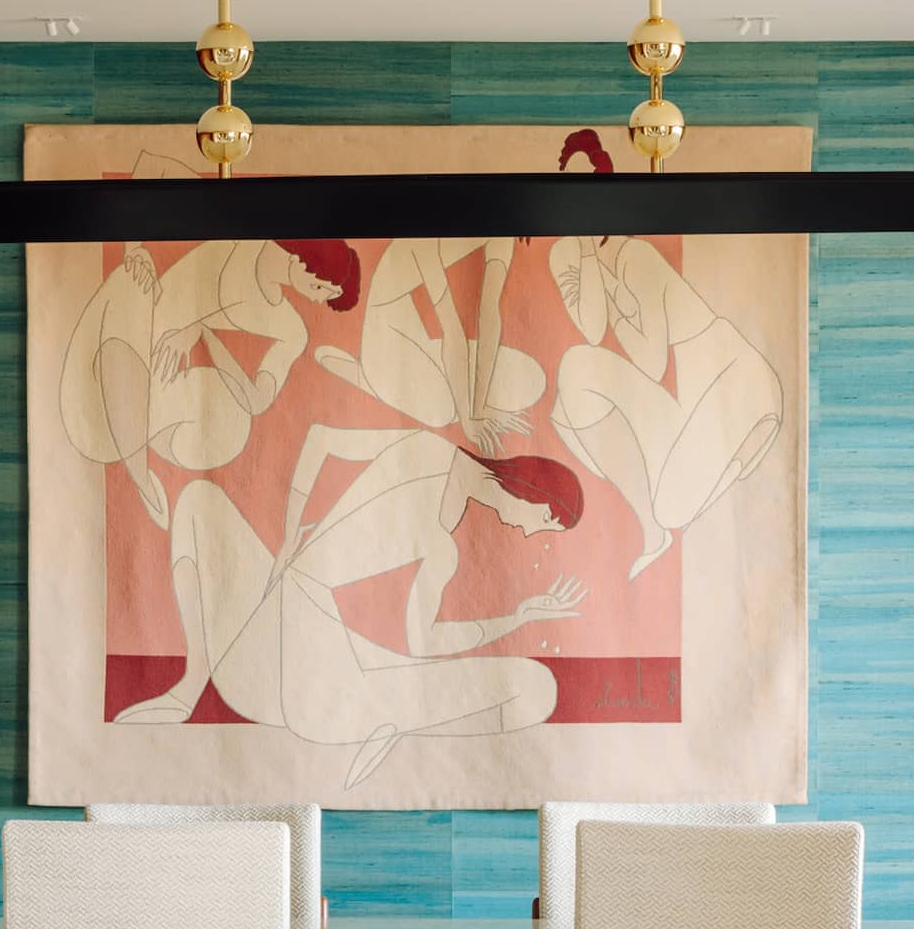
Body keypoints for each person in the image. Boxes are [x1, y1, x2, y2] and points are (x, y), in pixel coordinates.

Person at [115, 424, 587, 790]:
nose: (529, 533)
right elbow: (426, 642)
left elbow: (320, 439)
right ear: (541, 501)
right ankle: (191, 688)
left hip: (288, 650)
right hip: (300, 682)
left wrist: (292, 534)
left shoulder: (426, 448)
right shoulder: (441, 542)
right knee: (535, 686)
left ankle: (191, 687)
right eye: (544, 525)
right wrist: (516, 619)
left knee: (199, 499)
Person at [58, 236, 360, 525]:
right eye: (321, 287)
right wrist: (133, 248)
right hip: (115, 353)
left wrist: (205, 334)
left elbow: (257, 401)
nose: (317, 299)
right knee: (128, 285)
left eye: (327, 296)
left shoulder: (292, 330)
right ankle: (142, 479)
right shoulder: (240, 240)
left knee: (233, 424)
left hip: (157, 393)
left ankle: (141, 467)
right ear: (301, 258)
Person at [549, 234, 783, 578]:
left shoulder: (635, 256)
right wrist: (593, 274)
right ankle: (659, 528)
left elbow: (651, 363)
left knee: (671, 509)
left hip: (739, 388)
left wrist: (601, 281)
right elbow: (594, 331)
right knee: (572, 386)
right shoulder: (595, 268)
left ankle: (705, 494)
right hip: (695, 407)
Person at [314, 238, 544, 453]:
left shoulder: (502, 236)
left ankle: (405, 382)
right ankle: (367, 376)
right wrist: (468, 419)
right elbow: (452, 329)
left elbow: (489, 315)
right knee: (443, 412)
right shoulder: (424, 240)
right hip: (385, 338)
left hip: (418, 334)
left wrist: (480, 407)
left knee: (532, 378)